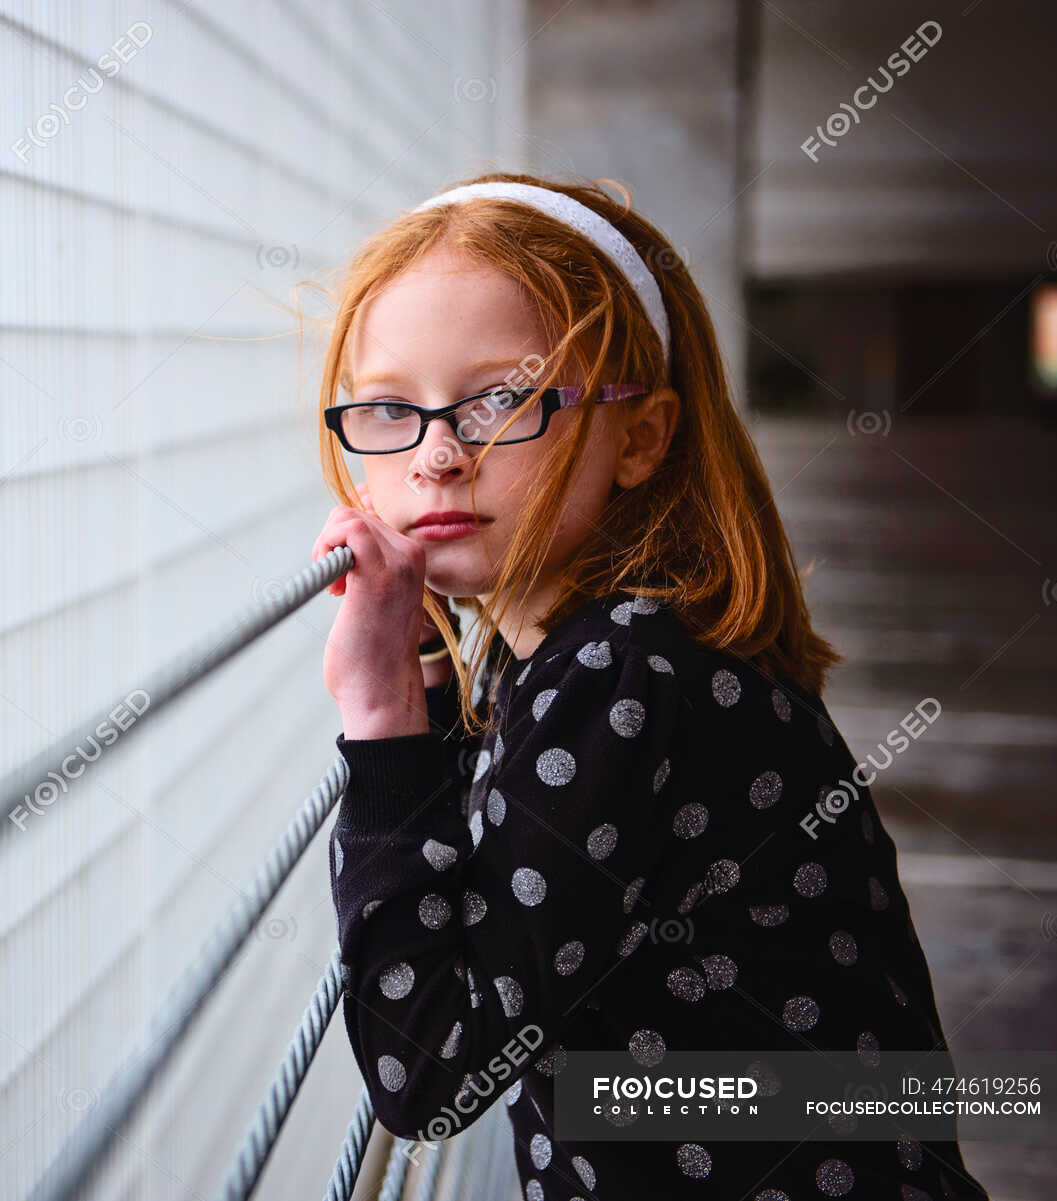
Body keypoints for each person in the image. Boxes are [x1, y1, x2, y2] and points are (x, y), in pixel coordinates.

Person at [310, 173, 990, 1199]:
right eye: (391, 408)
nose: (439, 454)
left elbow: (431, 1070)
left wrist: (383, 723)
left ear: (639, 435)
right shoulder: (612, 643)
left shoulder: (616, 674)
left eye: (503, 399)